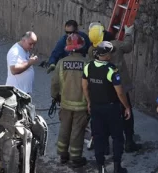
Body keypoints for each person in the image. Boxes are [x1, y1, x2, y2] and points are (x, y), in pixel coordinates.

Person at [88, 22, 140, 152]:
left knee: (104, 118)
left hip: (103, 90)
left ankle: (105, 146)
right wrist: (128, 32)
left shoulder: (91, 50)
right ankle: (129, 141)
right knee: (127, 114)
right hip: (119, 87)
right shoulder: (115, 45)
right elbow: (127, 46)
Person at [82, 41, 132, 173]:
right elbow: (120, 92)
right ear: (107, 55)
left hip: (96, 108)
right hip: (112, 108)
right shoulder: (111, 69)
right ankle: (117, 167)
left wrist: (89, 102)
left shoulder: (88, 67)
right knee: (117, 137)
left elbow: (85, 87)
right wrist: (126, 107)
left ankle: (101, 168)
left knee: (98, 137)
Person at [51, 34, 89, 167]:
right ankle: (76, 158)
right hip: (82, 105)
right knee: (77, 131)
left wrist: (55, 96)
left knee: (64, 128)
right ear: (82, 47)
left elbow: (55, 83)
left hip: (65, 103)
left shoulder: (61, 63)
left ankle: (63, 155)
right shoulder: (87, 63)